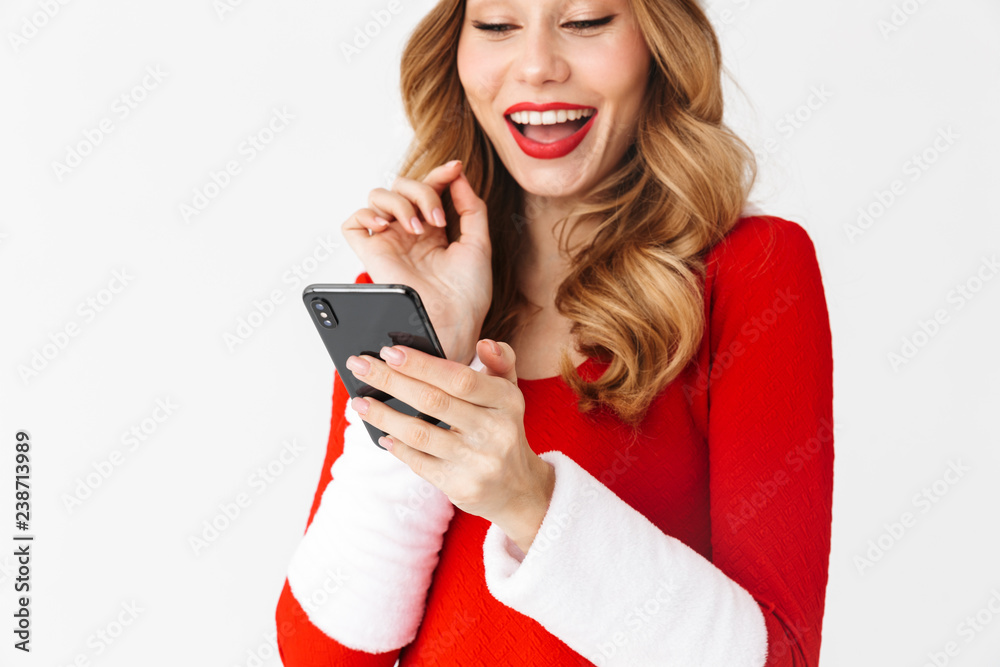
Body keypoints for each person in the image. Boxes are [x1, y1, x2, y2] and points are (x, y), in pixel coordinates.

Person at [275, 0, 833, 664]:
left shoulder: (752, 271)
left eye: (588, 20)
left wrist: (528, 500)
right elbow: (323, 656)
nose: (538, 66)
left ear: (659, 42)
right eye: (497, 26)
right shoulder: (406, 288)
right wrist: (431, 351)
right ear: (454, 51)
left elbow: (780, 657)